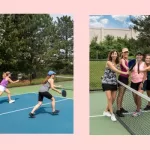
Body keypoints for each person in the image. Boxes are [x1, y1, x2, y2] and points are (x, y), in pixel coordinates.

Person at [102, 50, 129, 122]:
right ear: (110, 55)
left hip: (114, 82)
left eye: (115, 54)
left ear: (117, 55)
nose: (114, 55)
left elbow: (119, 68)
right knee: (109, 98)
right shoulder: (108, 62)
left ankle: (105, 111)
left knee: (113, 98)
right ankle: (112, 114)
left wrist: (127, 69)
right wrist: (125, 72)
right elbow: (115, 70)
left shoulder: (117, 63)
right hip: (106, 82)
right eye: (113, 54)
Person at [130, 51, 146, 117]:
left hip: (141, 82)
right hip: (133, 82)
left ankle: (138, 110)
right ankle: (139, 108)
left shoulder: (144, 64)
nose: (139, 56)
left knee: (138, 96)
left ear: (142, 56)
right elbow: (129, 70)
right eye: (137, 55)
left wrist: (142, 82)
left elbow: (145, 74)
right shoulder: (133, 63)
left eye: (140, 55)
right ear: (136, 56)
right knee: (134, 97)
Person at [116, 48, 129, 117]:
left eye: (127, 52)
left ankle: (121, 108)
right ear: (122, 53)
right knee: (120, 94)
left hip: (126, 78)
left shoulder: (127, 60)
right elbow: (125, 67)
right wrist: (129, 68)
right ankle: (118, 110)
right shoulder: (122, 60)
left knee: (123, 94)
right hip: (122, 78)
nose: (126, 53)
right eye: (125, 52)